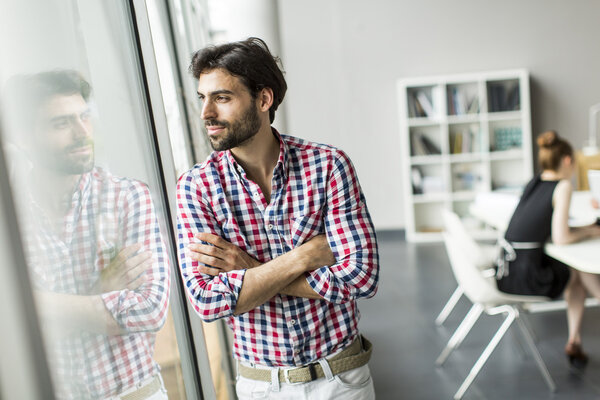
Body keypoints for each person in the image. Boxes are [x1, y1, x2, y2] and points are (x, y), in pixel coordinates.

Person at [176, 37, 379, 399]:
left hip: (343, 380)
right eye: (202, 98)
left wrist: (248, 271)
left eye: (221, 98)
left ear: (263, 99)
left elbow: (361, 277)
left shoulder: (328, 165)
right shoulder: (196, 187)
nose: (206, 113)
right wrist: (302, 257)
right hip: (262, 387)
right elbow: (207, 302)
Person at [4, 70, 171, 399]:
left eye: (84, 117)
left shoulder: (127, 197)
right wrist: (100, 292)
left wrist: (38, 304)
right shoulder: (11, 220)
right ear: (24, 137)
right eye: (61, 124)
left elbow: (150, 310)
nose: (82, 133)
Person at [496, 130, 600, 368]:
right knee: (576, 273)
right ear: (566, 160)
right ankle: (576, 334)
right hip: (526, 278)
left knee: (574, 273)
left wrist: (585, 228)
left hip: (507, 268)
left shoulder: (537, 180)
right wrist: (590, 231)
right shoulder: (562, 186)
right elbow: (561, 238)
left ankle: (575, 339)